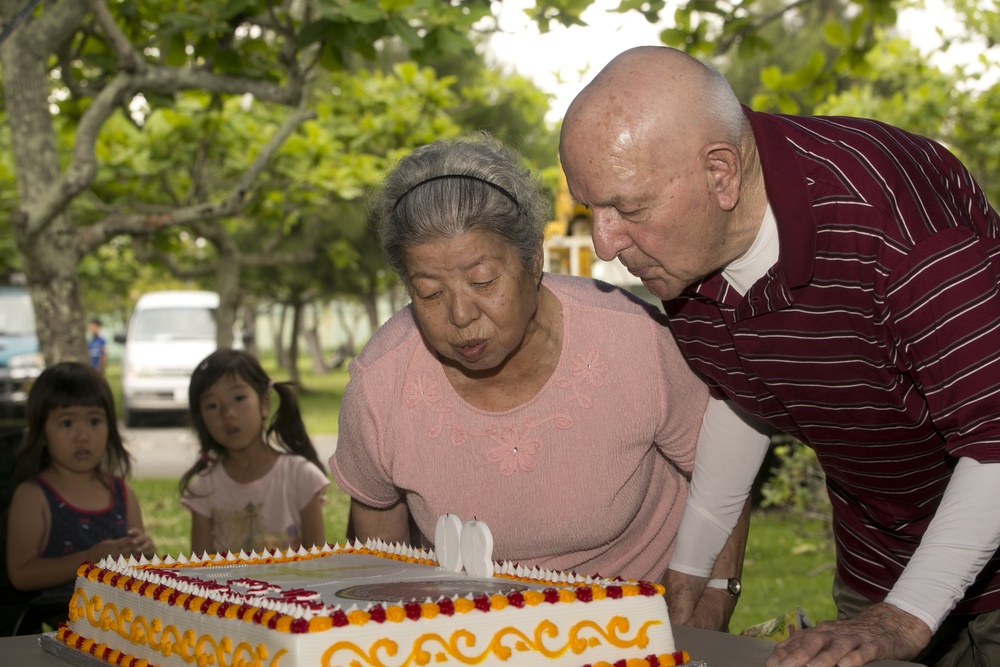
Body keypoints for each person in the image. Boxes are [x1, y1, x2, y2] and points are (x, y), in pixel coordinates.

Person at [559, 45, 1000, 667]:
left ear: (721, 175)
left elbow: (996, 437)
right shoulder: (685, 258)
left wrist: (903, 619)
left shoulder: (896, 219)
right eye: (591, 209)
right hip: (881, 563)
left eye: (627, 209)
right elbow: (742, 396)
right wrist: (690, 570)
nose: (604, 245)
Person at [330, 132, 760, 631]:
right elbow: (377, 532)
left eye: (484, 281)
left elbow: (722, 474)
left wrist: (715, 598)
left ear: (533, 259)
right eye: (428, 292)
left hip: (638, 624)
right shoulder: (381, 384)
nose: (461, 314)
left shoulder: (634, 341)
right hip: (470, 638)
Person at [6, 362, 155, 598]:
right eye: (67, 423)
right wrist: (90, 559)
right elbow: (21, 575)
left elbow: (138, 569)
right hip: (63, 628)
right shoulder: (33, 496)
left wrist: (145, 553)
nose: (83, 436)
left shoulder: (122, 492)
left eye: (94, 421)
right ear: (42, 433)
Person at [180, 349, 329, 555]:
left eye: (239, 398)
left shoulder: (301, 476)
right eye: (212, 405)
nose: (227, 413)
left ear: (264, 404)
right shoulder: (204, 489)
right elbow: (200, 571)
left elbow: (319, 564)